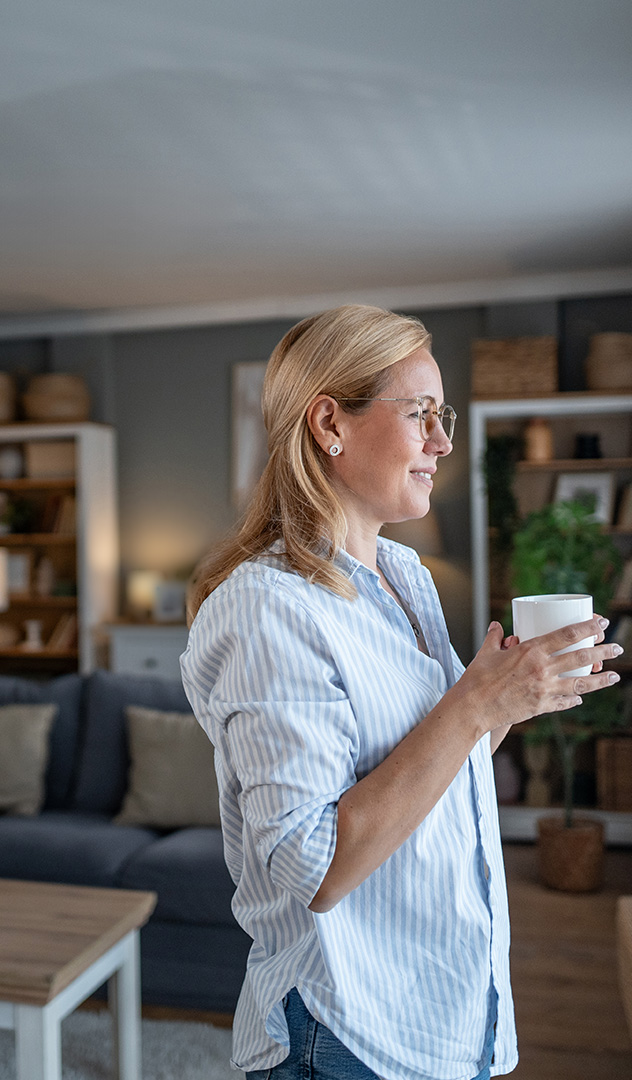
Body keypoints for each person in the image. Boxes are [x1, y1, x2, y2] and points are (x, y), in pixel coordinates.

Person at [180, 304, 620, 1080]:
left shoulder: (405, 576)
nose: (443, 442)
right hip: (346, 1032)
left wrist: (509, 702)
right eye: (422, 414)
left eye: (440, 416)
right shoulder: (265, 607)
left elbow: (441, 766)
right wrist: (476, 703)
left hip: (445, 1011)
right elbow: (315, 868)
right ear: (329, 424)